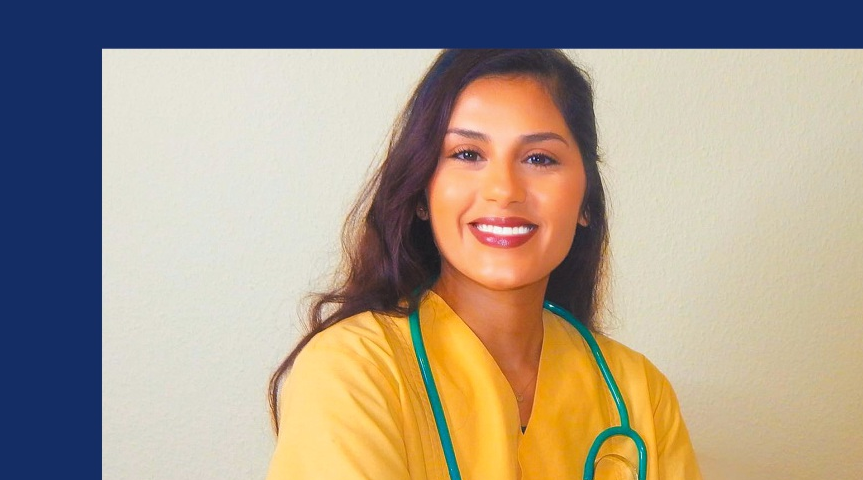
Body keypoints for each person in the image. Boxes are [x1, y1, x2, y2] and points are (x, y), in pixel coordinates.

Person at [265, 49, 702, 480]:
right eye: (468, 154)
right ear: (421, 193)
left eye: (539, 158)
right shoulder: (353, 369)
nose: (503, 190)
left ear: (586, 201)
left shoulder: (640, 393)